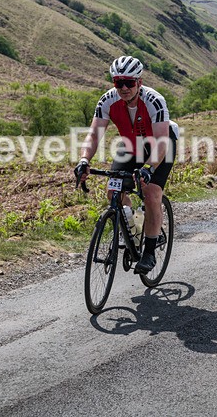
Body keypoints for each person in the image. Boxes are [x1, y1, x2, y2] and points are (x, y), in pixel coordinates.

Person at [75, 56, 178, 275]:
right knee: (113, 190)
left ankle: (149, 251)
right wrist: (84, 160)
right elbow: (94, 135)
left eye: (129, 82)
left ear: (139, 82)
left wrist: (149, 168)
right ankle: (134, 225)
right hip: (131, 145)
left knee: (151, 194)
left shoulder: (155, 100)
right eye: (118, 82)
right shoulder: (106, 101)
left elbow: (161, 141)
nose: (124, 88)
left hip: (159, 146)